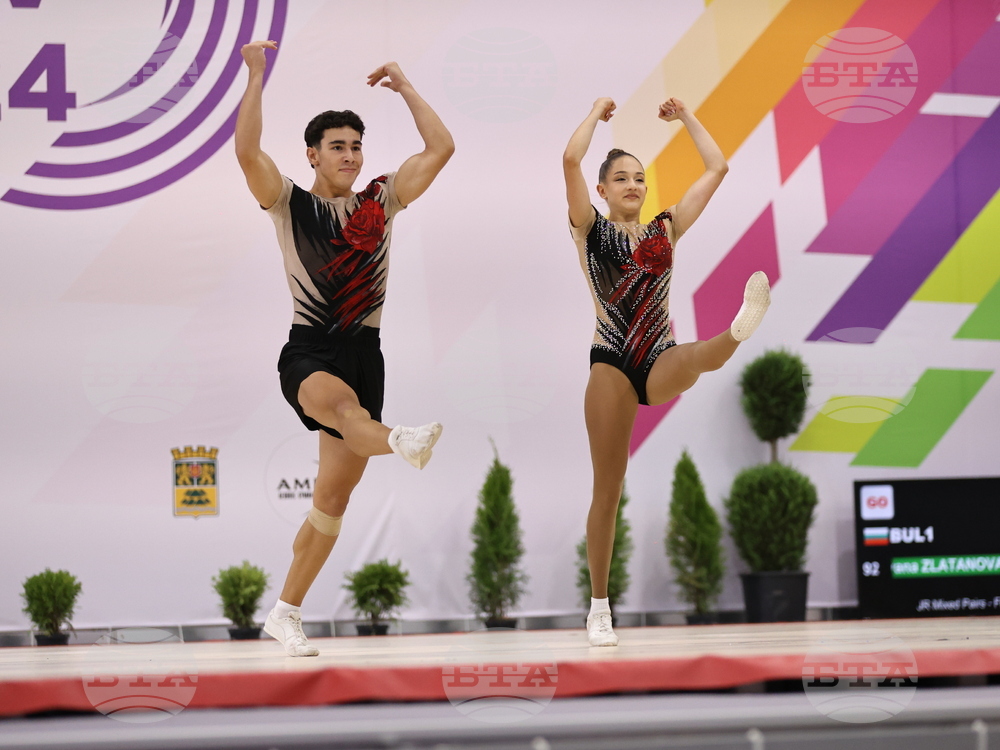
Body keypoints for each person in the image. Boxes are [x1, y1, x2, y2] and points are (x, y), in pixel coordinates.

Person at [235, 40, 454, 656]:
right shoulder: (289, 203)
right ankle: (399, 440)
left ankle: (285, 611)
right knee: (346, 414)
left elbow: (441, 149)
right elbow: (246, 151)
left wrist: (406, 86)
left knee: (330, 503)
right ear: (312, 154)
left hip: (366, 352)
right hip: (310, 352)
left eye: (357, 146)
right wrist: (255, 75)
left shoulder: (382, 201)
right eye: (338, 146)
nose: (351, 156)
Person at [563, 96, 770, 647]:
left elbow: (717, 168)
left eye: (640, 178)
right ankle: (600, 607)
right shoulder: (589, 229)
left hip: (658, 353)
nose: (633, 185)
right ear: (603, 190)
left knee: (699, 356)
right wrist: (594, 114)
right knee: (608, 489)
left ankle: (738, 331)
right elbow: (569, 160)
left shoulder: (665, 228)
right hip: (610, 360)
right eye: (622, 179)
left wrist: (687, 119)